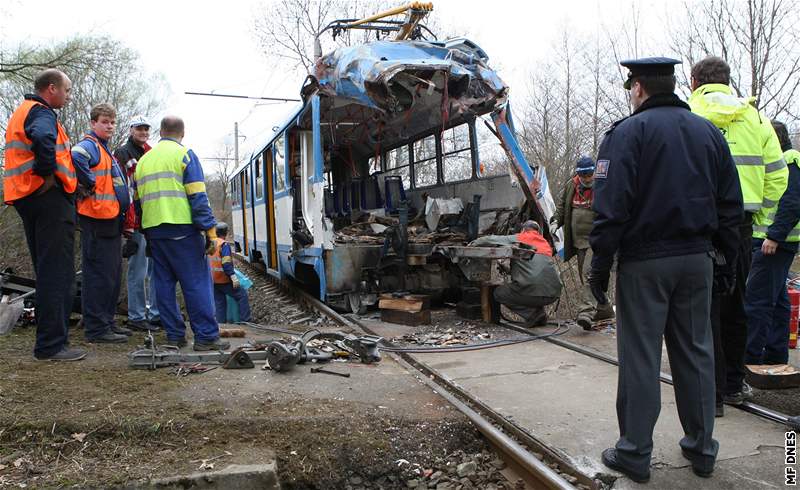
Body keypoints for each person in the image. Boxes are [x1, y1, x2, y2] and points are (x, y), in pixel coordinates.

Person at [588, 57, 743, 482]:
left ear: (638, 87)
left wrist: (600, 263)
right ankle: (702, 450)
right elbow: (730, 204)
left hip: (644, 264)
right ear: (674, 86)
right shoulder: (708, 132)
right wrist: (727, 260)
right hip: (698, 260)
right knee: (696, 353)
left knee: (640, 357)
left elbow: (611, 207)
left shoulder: (626, 134)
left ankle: (635, 452)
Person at [689, 56, 788, 414]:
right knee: (737, 307)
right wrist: (758, 215)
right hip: (741, 228)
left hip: (698, 228)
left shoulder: (688, 113)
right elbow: (778, 178)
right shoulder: (756, 119)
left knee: (703, 311)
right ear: (729, 82)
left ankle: (710, 394)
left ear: (694, 80)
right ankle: (733, 384)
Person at [3, 69, 84, 361]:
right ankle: (51, 345)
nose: (69, 95)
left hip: (28, 199)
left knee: (47, 270)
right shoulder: (42, 113)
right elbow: (42, 138)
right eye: (67, 90)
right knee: (57, 273)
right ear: (51, 89)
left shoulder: (22, 111)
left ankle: (50, 342)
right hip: (48, 199)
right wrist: (47, 174)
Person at [132, 115, 229, 351]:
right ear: (182, 134)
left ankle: (174, 336)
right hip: (183, 230)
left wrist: (145, 230)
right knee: (196, 283)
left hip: (154, 231)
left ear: (161, 132)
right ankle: (206, 337)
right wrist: (210, 232)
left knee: (163, 285)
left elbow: (137, 202)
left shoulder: (144, 161)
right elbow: (197, 196)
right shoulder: (184, 155)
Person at [71, 103, 132, 343]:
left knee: (112, 275)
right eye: (104, 122)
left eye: (112, 122)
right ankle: (96, 329)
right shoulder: (90, 146)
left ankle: (107, 322)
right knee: (98, 276)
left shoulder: (104, 150)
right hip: (96, 220)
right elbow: (75, 155)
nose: (109, 126)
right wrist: (86, 182)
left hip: (109, 221)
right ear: (93, 123)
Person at [744, 121, 800, 367]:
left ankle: (749, 357)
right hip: (775, 241)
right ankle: (776, 354)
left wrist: (774, 236)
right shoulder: (786, 161)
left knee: (757, 301)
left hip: (774, 243)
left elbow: (792, 202)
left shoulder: (789, 161)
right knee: (777, 301)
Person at [551, 155, 614, 330]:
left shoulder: (602, 187)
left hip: (596, 240)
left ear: (594, 172)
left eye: (589, 174)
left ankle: (586, 311)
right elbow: (562, 207)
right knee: (587, 279)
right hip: (578, 242)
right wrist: (556, 221)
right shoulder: (572, 186)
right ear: (578, 174)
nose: (587, 178)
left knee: (589, 275)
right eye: (583, 175)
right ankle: (605, 308)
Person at [114, 115, 160, 331]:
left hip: (153, 220)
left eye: (146, 129)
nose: (143, 132)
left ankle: (154, 314)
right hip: (135, 220)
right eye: (139, 129)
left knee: (154, 269)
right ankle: (136, 315)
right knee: (137, 270)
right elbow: (124, 190)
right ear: (131, 130)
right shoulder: (122, 154)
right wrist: (128, 224)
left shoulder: (152, 153)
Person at [469, 221, 562, 327]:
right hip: (553, 294)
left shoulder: (520, 238)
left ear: (523, 230)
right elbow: (532, 269)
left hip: (533, 292)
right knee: (533, 287)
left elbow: (491, 239)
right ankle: (539, 316)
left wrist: (474, 243)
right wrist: (507, 270)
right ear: (538, 232)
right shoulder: (545, 243)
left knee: (499, 293)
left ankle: (533, 314)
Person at [209, 222, 251, 323]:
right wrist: (233, 277)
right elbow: (226, 263)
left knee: (219, 303)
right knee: (242, 295)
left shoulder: (211, 243)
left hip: (212, 280)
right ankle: (246, 321)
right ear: (226, 233)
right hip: (223, 279)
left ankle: (221, 325)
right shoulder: (224, 245)